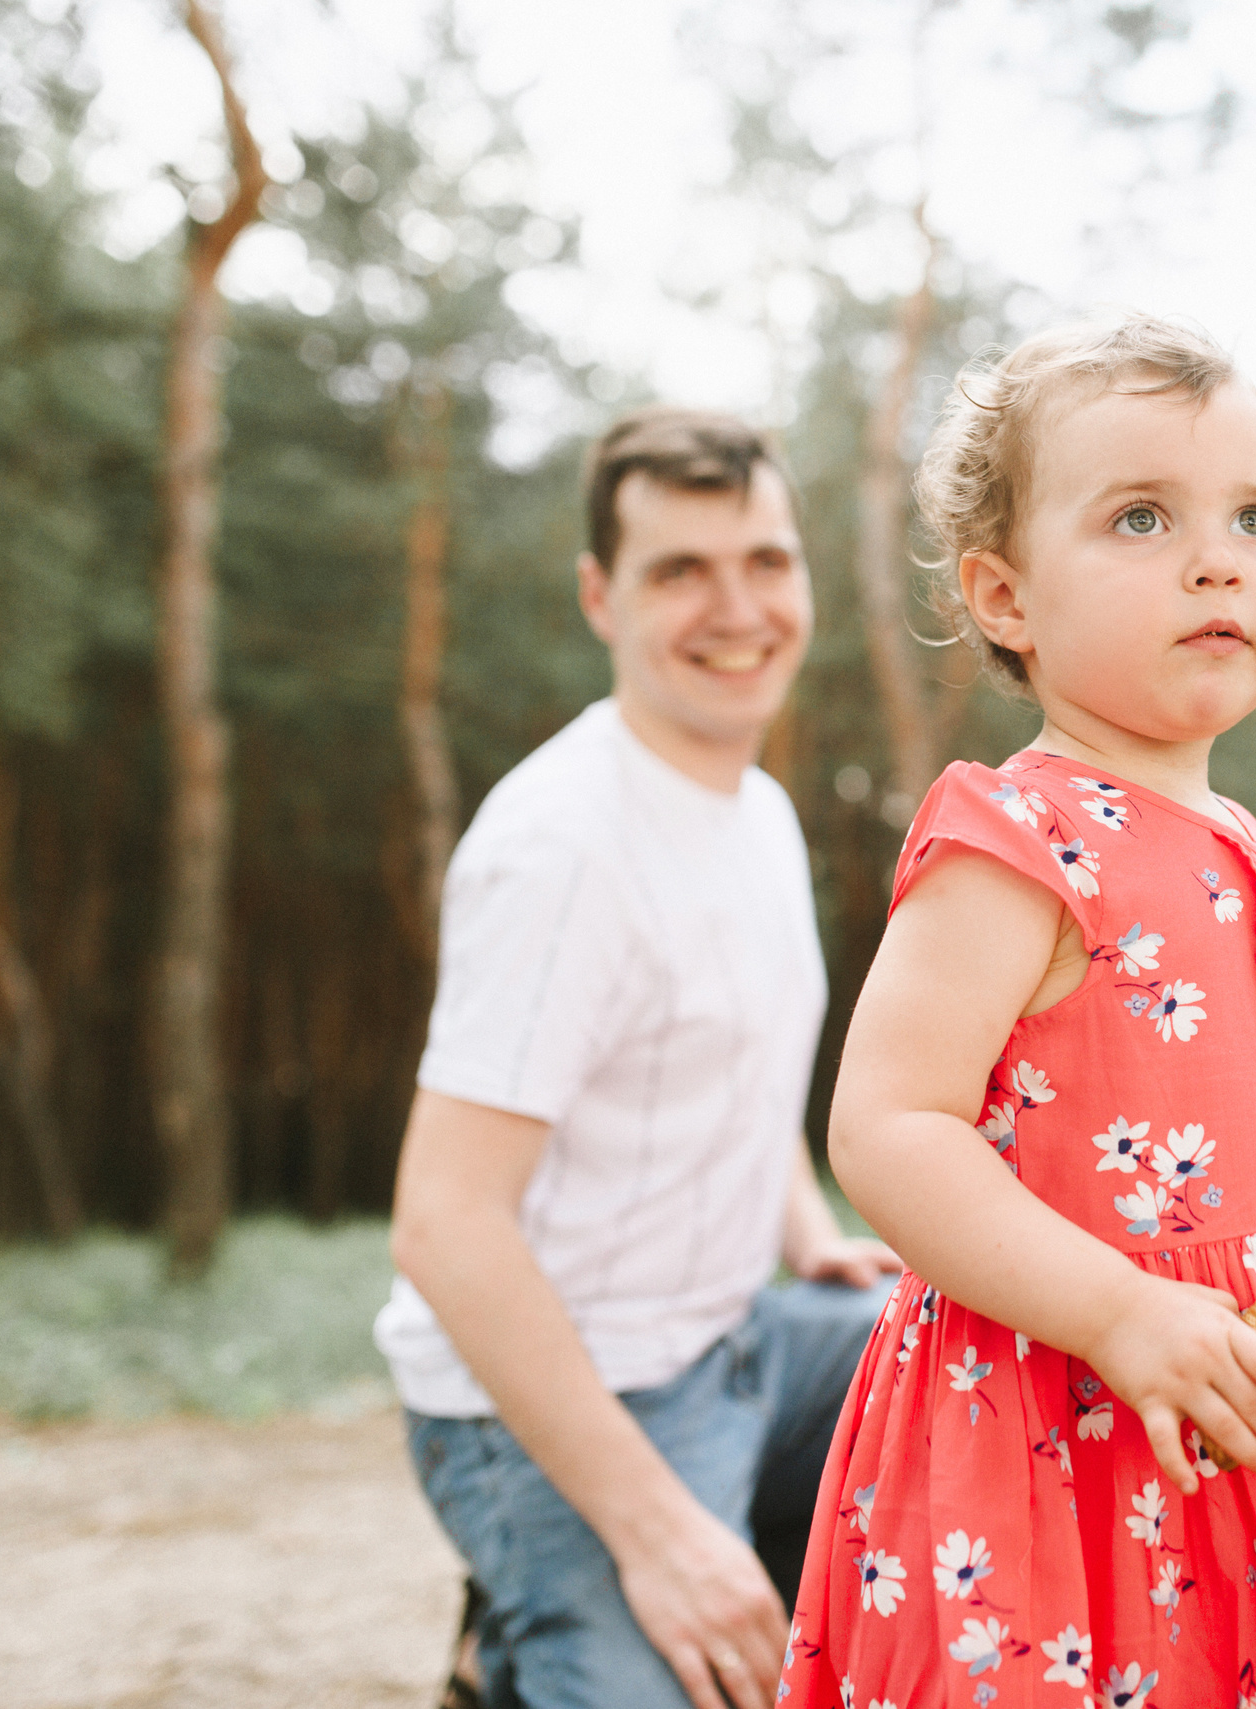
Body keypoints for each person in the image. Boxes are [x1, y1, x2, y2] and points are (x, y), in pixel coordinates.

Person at [779, 314, 1256, 1703]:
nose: (1218, 559)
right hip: (1071, 1426)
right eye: (1141, 517)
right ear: (1005, 597)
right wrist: (1119, 1312)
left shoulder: (1239, 836)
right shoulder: (1012, 839)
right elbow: (889, 1125)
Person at [376, 408, 900, 1709]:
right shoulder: (561, 849)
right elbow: (444, 1221)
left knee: (977, 1366)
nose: (739, 609)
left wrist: (806, 1234)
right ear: (601, 596)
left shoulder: (757, 809)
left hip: (737, 1338)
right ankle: (524, 1628)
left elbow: (727, 1063)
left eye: (766, 561)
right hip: (558, 1408)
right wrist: (660, 1535)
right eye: (681, 571)